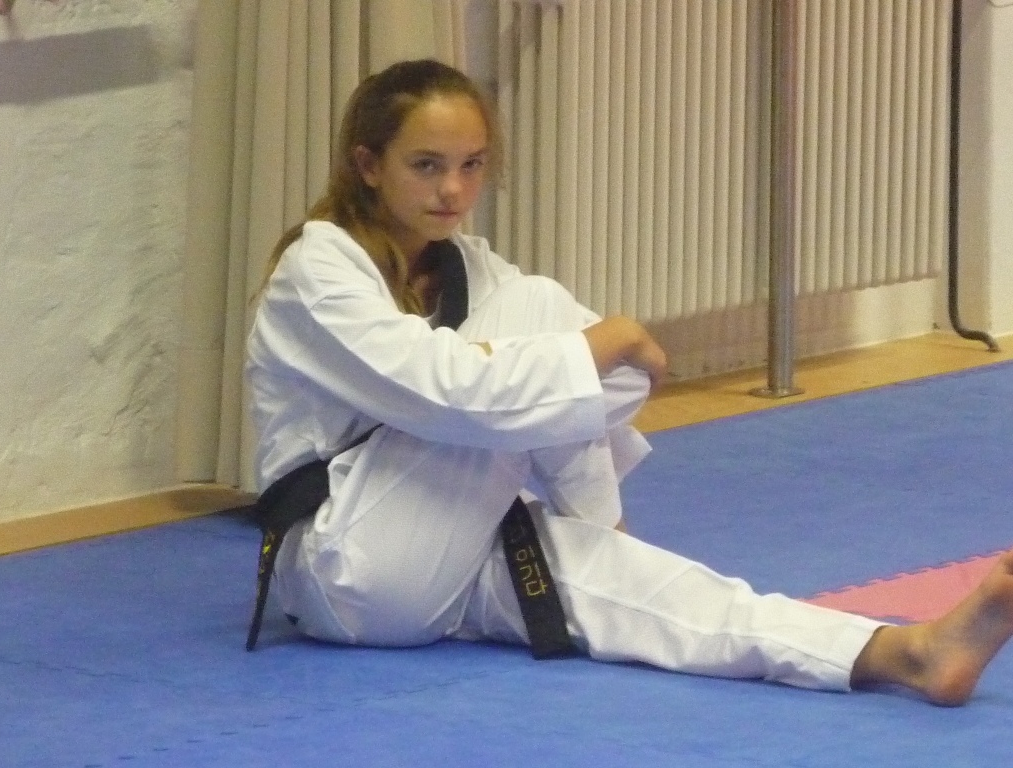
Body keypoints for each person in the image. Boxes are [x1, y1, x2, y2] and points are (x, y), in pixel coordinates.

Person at [245, 58, 1013, 707]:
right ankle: (600, 525)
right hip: (347, 567)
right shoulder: (319, 268)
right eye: (427, 165)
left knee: (669, 595)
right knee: (541, 317)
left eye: (471, 165)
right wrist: (602, 342)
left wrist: (579, 405)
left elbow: (609, 392)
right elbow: (447, 393)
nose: (453, 189)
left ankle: (908, 652)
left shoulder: (471, 269)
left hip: (443, 541)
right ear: (368, 165)